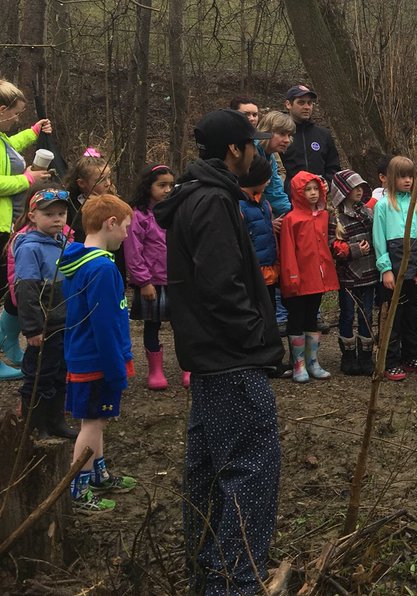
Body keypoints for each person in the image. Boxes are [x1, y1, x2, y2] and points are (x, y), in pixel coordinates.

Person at [154, 108, 282, 594]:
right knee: (251, 470)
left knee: (209, 472)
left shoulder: (198, 197)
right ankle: (235, 583)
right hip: (229, 360)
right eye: (252, 143)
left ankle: (207, 574)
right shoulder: (211, 202)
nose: (257, 151)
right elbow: (221, 284)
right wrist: (255, 338)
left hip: (210, 360)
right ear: (235, 149)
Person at [62, 194, 138, 512]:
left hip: (88, 357)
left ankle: (99, 473)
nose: (126, 235)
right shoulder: (102, 270)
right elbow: (104, 325)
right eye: (124, 228)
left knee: (99, 419)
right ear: (110, 224)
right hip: (96, 361)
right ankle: (78, 490)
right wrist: (117, 369)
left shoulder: (81, 263)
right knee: (91, 424)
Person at [1, 81, 54, 380]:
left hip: (7, 225)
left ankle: (8, 345)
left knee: (10, 292)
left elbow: (10, 147)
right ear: (1, 111)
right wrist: (28, 179)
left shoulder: (1, 137)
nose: (16, 120)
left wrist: (33, 132)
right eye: (16, 115)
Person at [13, 187, 74, 437]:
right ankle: (34, 426)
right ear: (33, 215)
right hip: (44, 326)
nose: (57, 219)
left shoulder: (65, 244)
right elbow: (26, 291)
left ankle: (55, 421)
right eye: (49, 214)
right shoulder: (29, 248)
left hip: (64, 321)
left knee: (60, 373)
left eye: (61, 213)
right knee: (39, 376)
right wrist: (33, 328)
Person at [372, 155, 417, 379]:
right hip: (393, 268)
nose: (407, 180)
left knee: (412, 314)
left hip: (414, 267)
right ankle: (390, 359)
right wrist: (385, 269)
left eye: (410, 176)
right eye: (402, 176)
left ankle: (411, 355)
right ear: (390, 178)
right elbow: (379, 240)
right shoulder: (383, 206)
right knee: (392, 316)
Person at [125, 164, 178, 389]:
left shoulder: (177, 210)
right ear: (149, 187)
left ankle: (187, 366)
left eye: (171, 185)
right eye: (161, 185)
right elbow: (133, 251)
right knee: (152, 325)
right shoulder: (139, 216)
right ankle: (155, 371)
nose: (167, 190)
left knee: (182, 323)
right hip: (151, 282)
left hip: (177, 279)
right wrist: (144, 281)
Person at [278, 172, 335, 382]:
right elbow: (288, 250)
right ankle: (298, 364)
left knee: (312, 317)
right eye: (307, 190)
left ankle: (313, 362)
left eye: (315, 189)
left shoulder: (323, 216)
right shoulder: (291, 219)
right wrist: (291, 276)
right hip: (298, 278)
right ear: (298, 192)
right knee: (296, 318)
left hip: (317, 278)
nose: (312, 193)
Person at [238, 156, 288, 378]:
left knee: (269, 318)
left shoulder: (264, 203)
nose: (269, 182)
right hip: (251, 272)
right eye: (266, 177)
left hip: (269, 268)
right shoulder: (238, 205)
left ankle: (272, 360)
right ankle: (256, 360)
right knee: (255, 318)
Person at [329, 170, 378, 376]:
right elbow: (332, 246)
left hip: (369, 274)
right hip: (348, 276)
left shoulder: (367, 212)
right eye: (354, 187)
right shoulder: (335, 218)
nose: (359, 191)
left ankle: (366, 357)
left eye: (361, 187)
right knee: (347, 314)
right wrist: (356, 249)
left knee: (366, 315)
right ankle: (348, 356)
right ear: (343, 191)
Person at [281, 84, 341, 185]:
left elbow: (333, 168)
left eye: (310, 103)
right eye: (301, 102)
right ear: (288, 104)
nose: (307, 107)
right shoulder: (280, 134)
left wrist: (327, 183)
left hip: (318, 197)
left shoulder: (323, 135)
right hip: (287, 198)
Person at [256, 110, 295, 218]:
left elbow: (274, 191)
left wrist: (292, 214)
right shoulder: (251, 152)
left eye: (289, 135)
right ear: (266, 131)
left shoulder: (270, 157)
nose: (287, 140)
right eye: (282, 134)